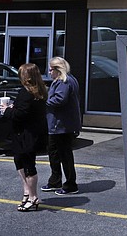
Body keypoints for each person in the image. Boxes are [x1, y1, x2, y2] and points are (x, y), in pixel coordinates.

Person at [1, 62, 48, 212]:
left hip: (25, 134)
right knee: (20, 161)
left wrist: (7, 110)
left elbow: (21, 114)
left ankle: (33, 197)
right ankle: (27, 192)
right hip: (31, 133)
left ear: (26, 76)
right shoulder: (40, 92)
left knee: (28, 165)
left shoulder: (26, 93)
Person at [42, 56, 82, 195]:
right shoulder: (70, 79)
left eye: (51, 69)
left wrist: (44, 100)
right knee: (55, 153)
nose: (49, 72)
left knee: (63, 154)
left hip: (61, 125)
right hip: (61, 124)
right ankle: (55, 181)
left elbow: (60, 99)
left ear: (58, 70)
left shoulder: (63, 82)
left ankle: (70, 184)